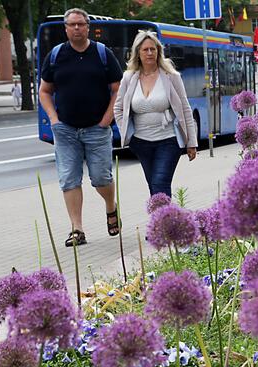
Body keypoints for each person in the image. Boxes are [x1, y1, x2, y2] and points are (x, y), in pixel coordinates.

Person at [39, 8, 122, 247]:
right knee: (69, 179)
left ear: (88, 27)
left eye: (81, 24)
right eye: (72, 25)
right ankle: (77, 228)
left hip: (97, 129)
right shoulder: (56, 56)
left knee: (100, 178)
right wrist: (54, 119)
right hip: (65, 129)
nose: (76, 28)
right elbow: (45, 91)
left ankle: (110, 206)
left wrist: (107, 119)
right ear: (65, 28)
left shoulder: (102, 53)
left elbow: (118, 88)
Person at [114, 30, 198, 198]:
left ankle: (165, 222)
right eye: (145, 50)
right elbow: (118, 108)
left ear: (159, 51)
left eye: (153, 49)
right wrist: (127, 133)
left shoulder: (171, 76)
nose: (150, 53)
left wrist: (191, 142)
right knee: (153, 184)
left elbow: (185, 109)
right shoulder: (129, 77)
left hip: (168, 141)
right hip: (140, 142)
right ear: (137, 52)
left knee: (160, 182)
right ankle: (161, 220)